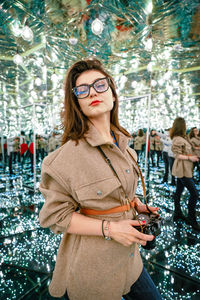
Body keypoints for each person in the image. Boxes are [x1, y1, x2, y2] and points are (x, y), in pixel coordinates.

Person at [39, 58, 162, 300]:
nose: (93, 92)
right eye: (82, 90)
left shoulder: (127, 149)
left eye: (100, 85)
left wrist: (135, 204)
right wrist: (110, 228)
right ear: (77, 103)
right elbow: (54, 217)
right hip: (94, 268)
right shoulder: (64, 158)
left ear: (113, 94)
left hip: (131, 260)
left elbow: (118, 191)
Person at [170, 117, 199, 231]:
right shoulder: (177, 139)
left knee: (179, 191)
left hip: (185, 168)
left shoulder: (183, 138)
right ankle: (191, 218)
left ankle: (178, 212)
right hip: (182, 169)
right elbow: (176, 155)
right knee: (194, 194)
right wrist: (190, 158)